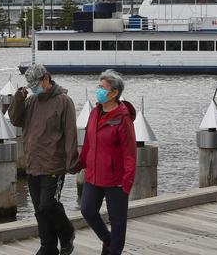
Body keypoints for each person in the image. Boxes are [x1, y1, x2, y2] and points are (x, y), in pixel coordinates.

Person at [8, 63, 79, 255]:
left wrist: (72, 162)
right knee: (40, 210)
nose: (32, 88)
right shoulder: (31, 101)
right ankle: (47, 246)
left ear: (46, 79)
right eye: (29, 85)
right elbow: (15, 120)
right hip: (33, 163)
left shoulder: (64, 101)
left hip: (53, 165)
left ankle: (67, 234)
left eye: (35, 84)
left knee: (49, 204)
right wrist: (18, 98)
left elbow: (71, 133)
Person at [79, 69, 137, 255]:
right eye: (98, 86)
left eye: (102, 87)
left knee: (118, 221)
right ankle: (107, 240)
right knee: (87, 210)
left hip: (116, 180)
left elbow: (130, 153)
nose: (98, 90)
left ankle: (114, 251)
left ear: (114, 93)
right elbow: (88, 142)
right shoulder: (95, 112)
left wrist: (127, 181)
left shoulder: (122, 118)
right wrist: (80, 163)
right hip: (93, 175)